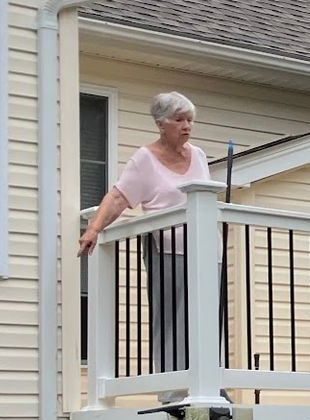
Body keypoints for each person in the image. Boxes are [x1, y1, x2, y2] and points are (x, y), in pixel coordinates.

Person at [77, 91, 210, 374]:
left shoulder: (198, 155)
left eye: (190, 120)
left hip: (207, 249)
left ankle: (209, 379)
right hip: (166, 250)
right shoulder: (144, 160)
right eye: (179, 120)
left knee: (208, 317)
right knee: (170, 319)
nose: (187, 126)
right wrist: (94, 228)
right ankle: (172, 385)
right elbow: (118, 198)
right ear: (161, 124)